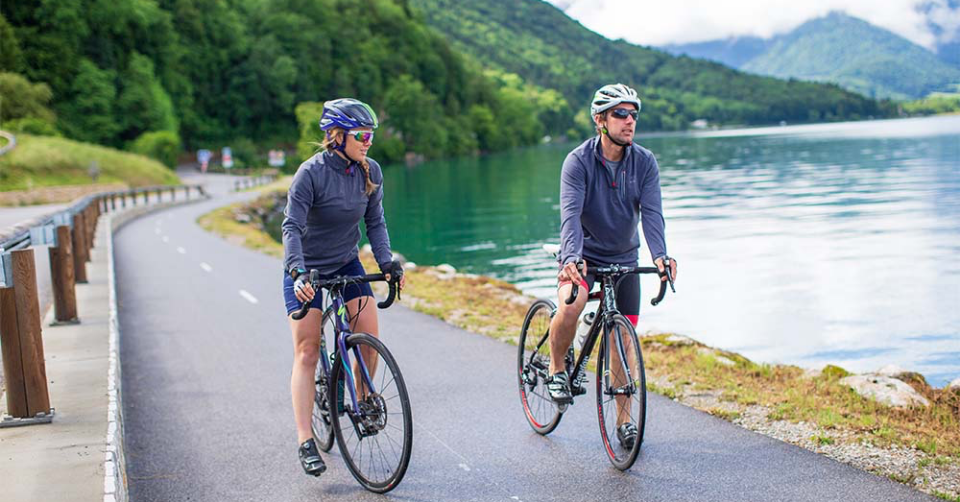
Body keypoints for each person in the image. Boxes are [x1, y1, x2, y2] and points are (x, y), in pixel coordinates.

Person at [548, 83, 678, 450]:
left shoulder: (645, 162)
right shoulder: (577, 161)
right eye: (620, 113)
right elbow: (570, 216)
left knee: (622, 340)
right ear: (600, 120)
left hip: (624, 259)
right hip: (583, 256)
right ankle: (557, 368)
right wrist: (571, 258)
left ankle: (624, 423)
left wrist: (660, 257)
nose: (629, 121)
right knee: (571, 304)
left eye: (633, 114)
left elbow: (653, 215)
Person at [281, 98, 405, 477]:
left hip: (346, 262)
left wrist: (386, 263)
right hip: (307, 269)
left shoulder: (371, 172)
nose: (369, 142)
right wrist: (298, 272)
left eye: (371, 135)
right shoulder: (310, 174)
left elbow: (376, 223)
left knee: (368, 332)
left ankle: (363, 400)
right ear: (337, 137)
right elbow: (291, 228)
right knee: (306, 350)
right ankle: (306, 440)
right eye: (362, 135)